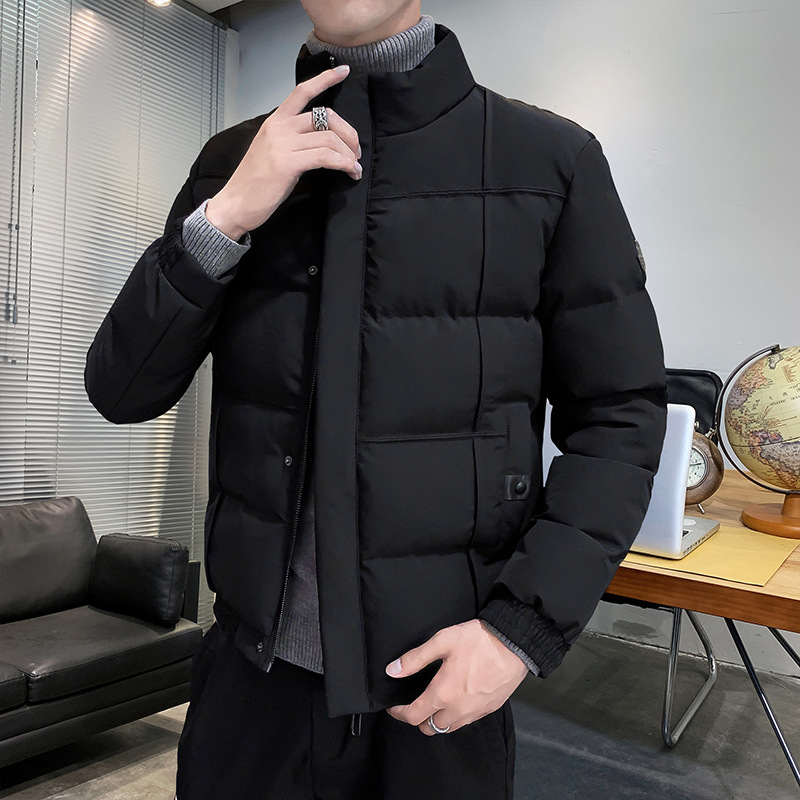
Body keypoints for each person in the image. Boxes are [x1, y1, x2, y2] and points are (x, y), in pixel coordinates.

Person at [84, 2, 668, 798]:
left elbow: (620, 417)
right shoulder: (231, 160)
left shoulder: (550, 161)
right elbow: (121, 389)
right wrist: (225, 217)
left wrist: (520, 630)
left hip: (432, 706)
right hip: (249, 694)